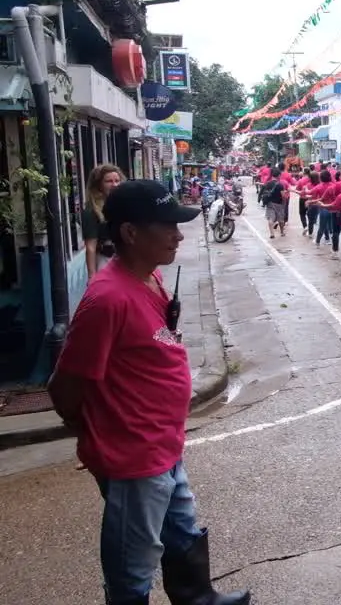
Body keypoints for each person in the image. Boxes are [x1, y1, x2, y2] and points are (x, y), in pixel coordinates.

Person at [48, 180, 251, 605]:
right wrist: (99, 436)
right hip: (134, 457)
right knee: (133, 561)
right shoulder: (107, 300)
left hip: (163, 444)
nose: (179, 235)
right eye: (168, 226)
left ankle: (197, 597)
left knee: (181, 529)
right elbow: (65, 385)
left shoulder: (150, 277)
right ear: (130, 233)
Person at [83, 163, 125, 277]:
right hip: (106, 260)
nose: (114, 185)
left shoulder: (124, 205)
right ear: (99, 185)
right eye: (109, 181)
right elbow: (91, 247)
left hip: (127, 260)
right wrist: (92, 275)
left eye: (117, 180)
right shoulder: (92, 211)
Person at [309, 171, 334, 246]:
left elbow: (310, 192)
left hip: (323, 209)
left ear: (321, 178)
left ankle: (317, 242)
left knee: (322, 226)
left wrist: (305, 190)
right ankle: (331, 242)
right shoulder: (334, 185)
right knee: (333, 228)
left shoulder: (319, 186)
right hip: (333, 209)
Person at [262, 168, 288, 238]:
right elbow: (283, 196)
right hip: (279, 204)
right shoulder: (280, 185)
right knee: (281, 220)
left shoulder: (268, 184)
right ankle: (282, 232)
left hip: (269, 203)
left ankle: (272, 233)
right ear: (279, 175)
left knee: (271, 218)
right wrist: (284, 203)